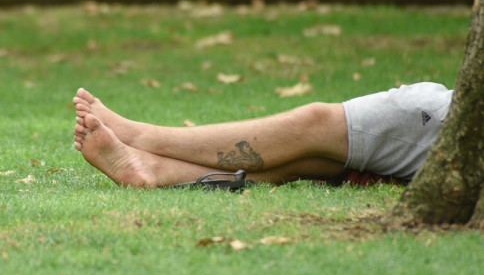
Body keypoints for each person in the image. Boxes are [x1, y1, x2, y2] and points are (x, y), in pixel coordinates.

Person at [72, 82, 453, 188]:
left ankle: (144, 137)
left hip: (440, 120)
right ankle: (157, 170)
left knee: (315, 123)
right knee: (308, 161)